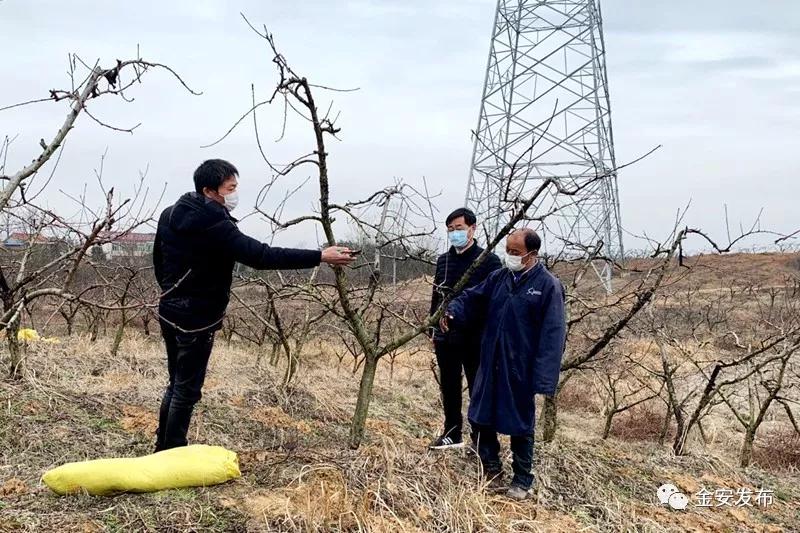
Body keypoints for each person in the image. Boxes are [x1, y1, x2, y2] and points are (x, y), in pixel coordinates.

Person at [152, 159, 355, 452]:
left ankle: (163, 445)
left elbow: (158, 260)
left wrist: (169, 291)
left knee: (176, 383)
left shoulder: (170, 214)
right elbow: (261, 256)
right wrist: (320, 256)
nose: (235, 194)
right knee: (187, 389)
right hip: (198, 316)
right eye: (230, 188)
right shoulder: (214, 223)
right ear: (209, 191)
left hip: (170, 309)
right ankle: (171, 452)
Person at [440, 228, 566, 500]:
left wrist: (544, 379)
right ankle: (491, 468)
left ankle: (522, 478)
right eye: (507, 251)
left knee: (520, 423)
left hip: (520, 367)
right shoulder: (499, 278)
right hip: (491, 359)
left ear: (531, 254)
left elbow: (553, 335)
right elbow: (471, 297)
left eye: (515, 252)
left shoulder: (547, 286)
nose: (510, 256)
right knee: (481, 415)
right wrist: (452, 310)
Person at [428, 208, 501, 450]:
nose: (454, 233)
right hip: (445, 335)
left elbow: (491, 300)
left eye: (459, 228)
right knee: (449, 386)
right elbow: (436, 296)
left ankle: (481, 438)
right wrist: (432, 327)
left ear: (472, 228)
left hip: (474, 337)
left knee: (478, 389)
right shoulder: (443, 261)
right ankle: (452, 433)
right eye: (450, 229)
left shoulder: (488, 261)